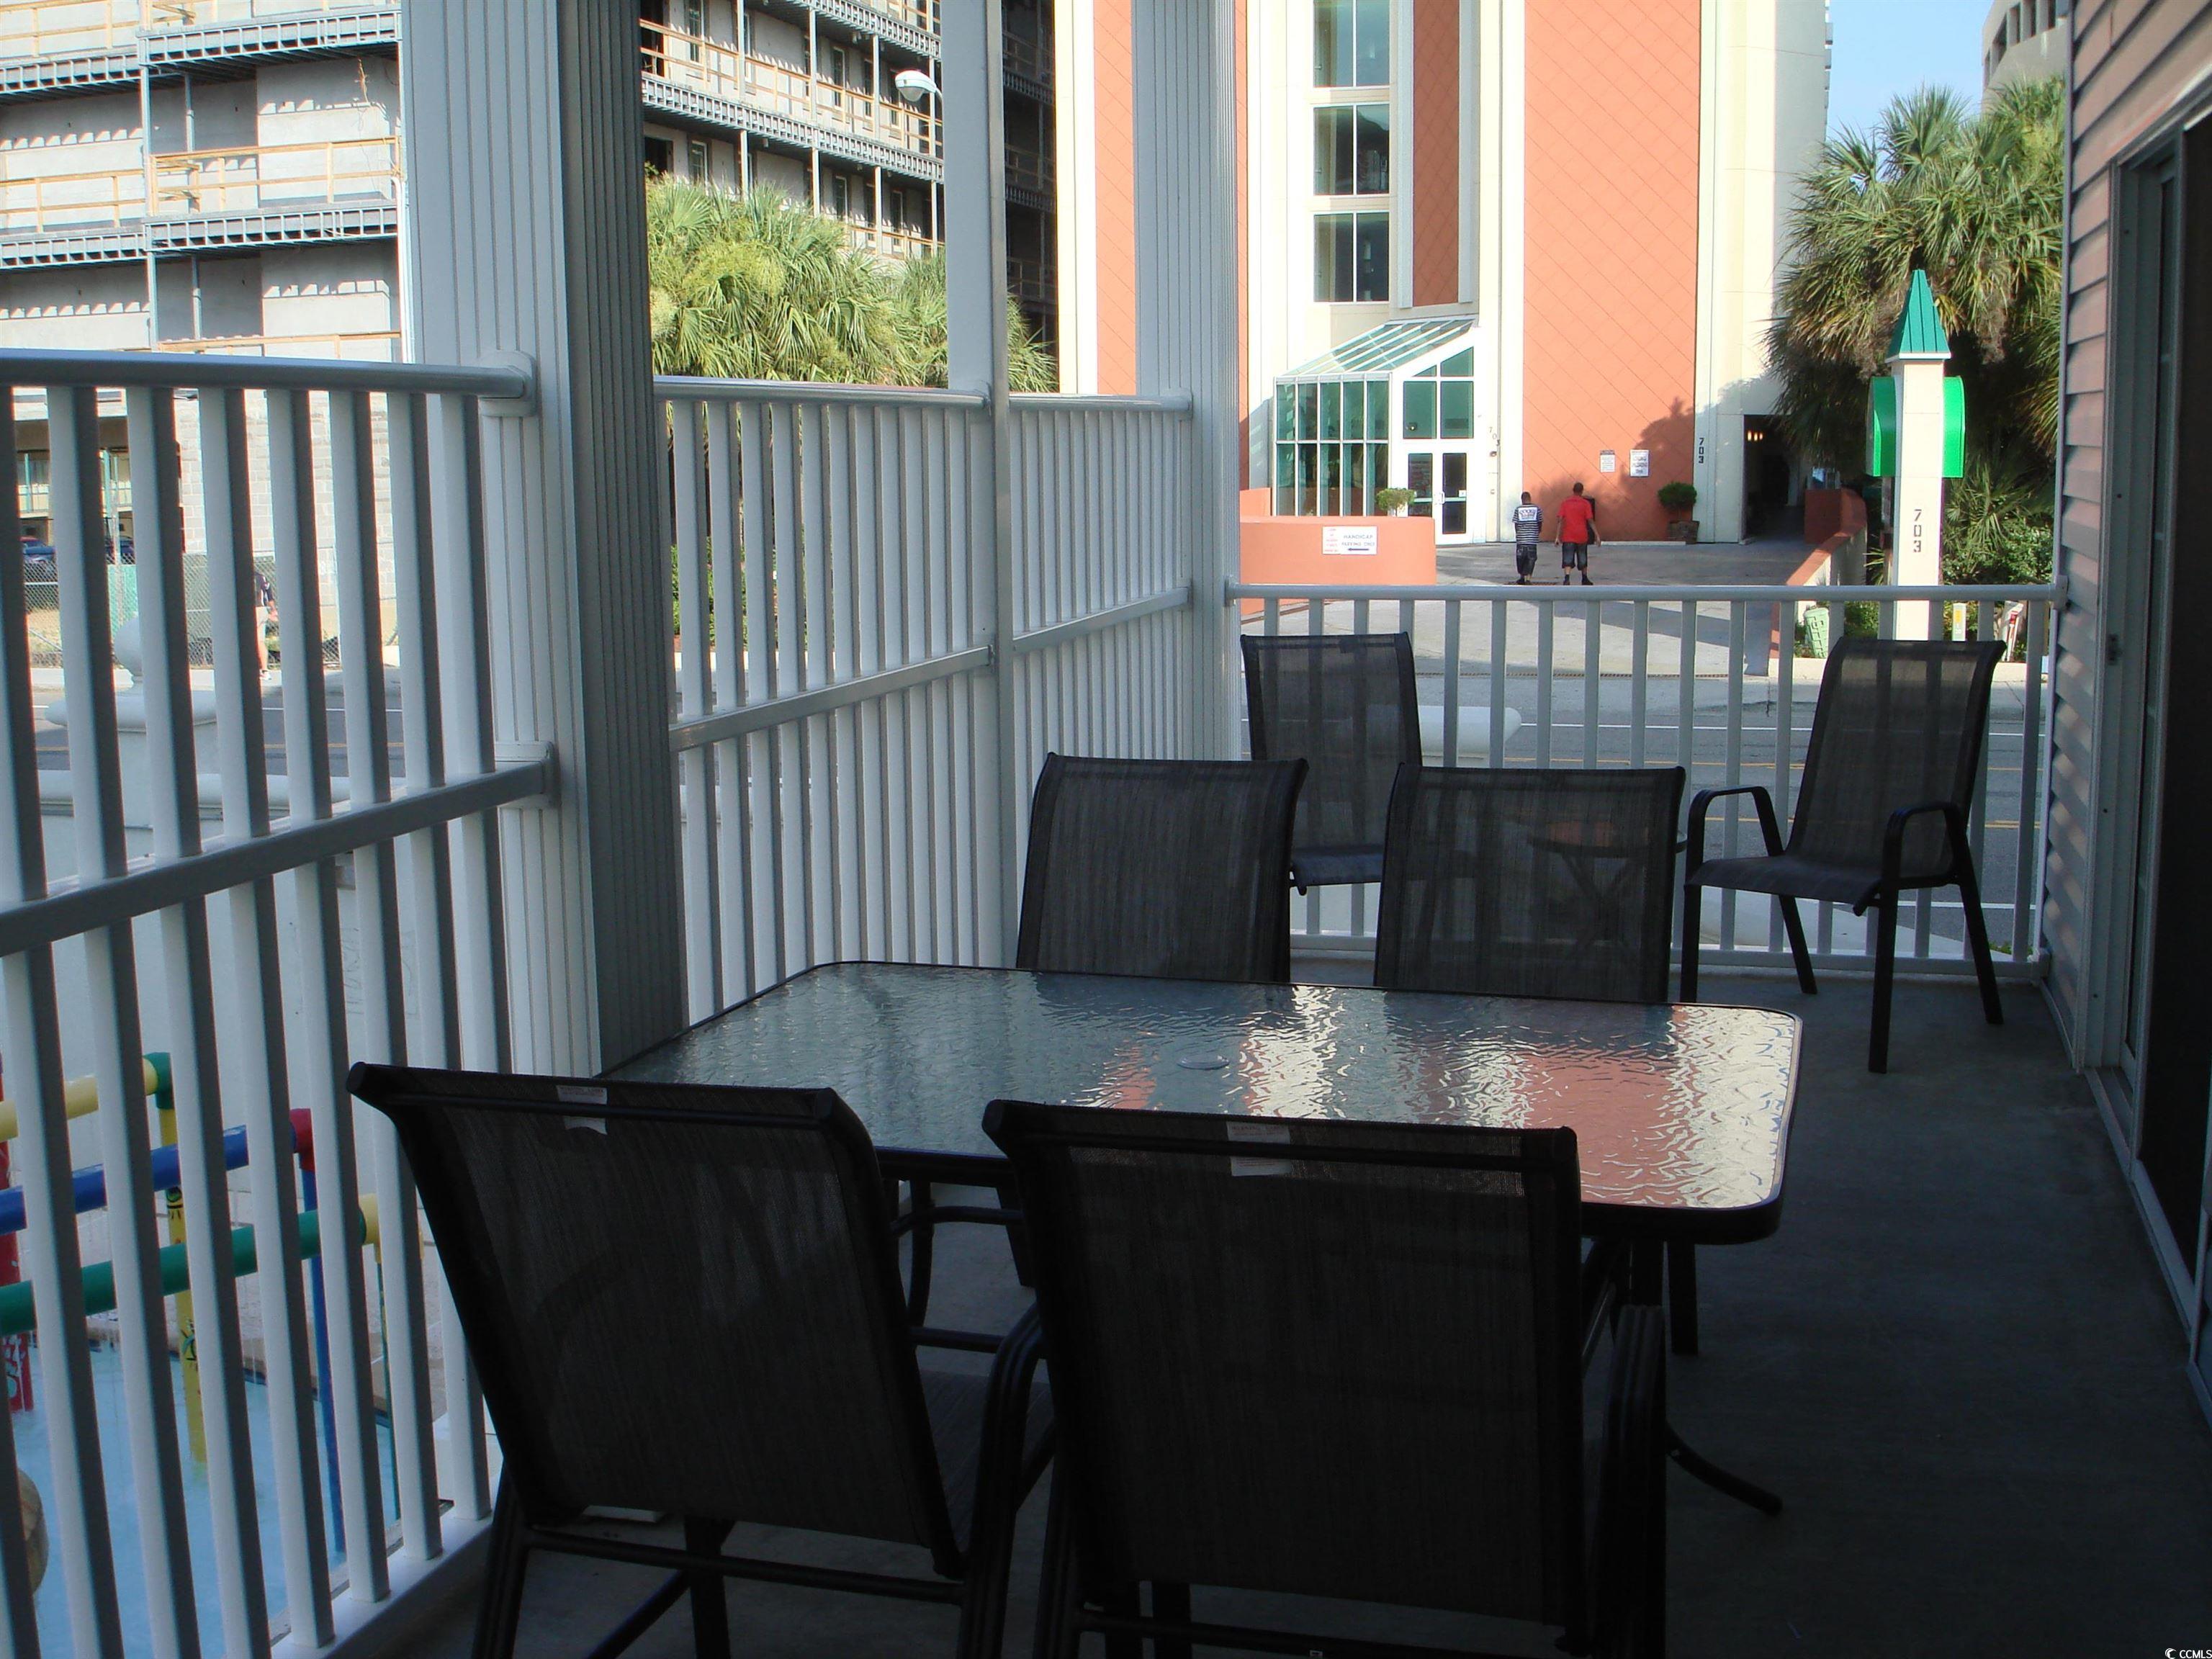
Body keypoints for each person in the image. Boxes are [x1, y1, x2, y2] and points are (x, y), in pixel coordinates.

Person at [1556, 482, 1598, 585]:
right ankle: (1584, 578)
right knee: (1583, 556)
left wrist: (1557, 537)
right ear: (1582, 491)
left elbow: (1560, 520)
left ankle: (1567, 578)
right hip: (1581, 535)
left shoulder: (1565, 503)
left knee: (1568, 557)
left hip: (1568, 536)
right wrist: (1597, 535)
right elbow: (1590, 520)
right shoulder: (1585, 504)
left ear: (1573, 490)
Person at [1510, 491, 1543, 583]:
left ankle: (1522, 577)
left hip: (1521, 539)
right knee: (1531, 559)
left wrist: (1518, 534)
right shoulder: (1537, 509)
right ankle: (1528, 579)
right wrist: (1538, 531)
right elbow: (1540, 522)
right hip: (1532, 539)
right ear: (1530, 498)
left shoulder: (1518, 509)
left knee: (1521, 559)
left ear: (1522, 499)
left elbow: (1516, 524)